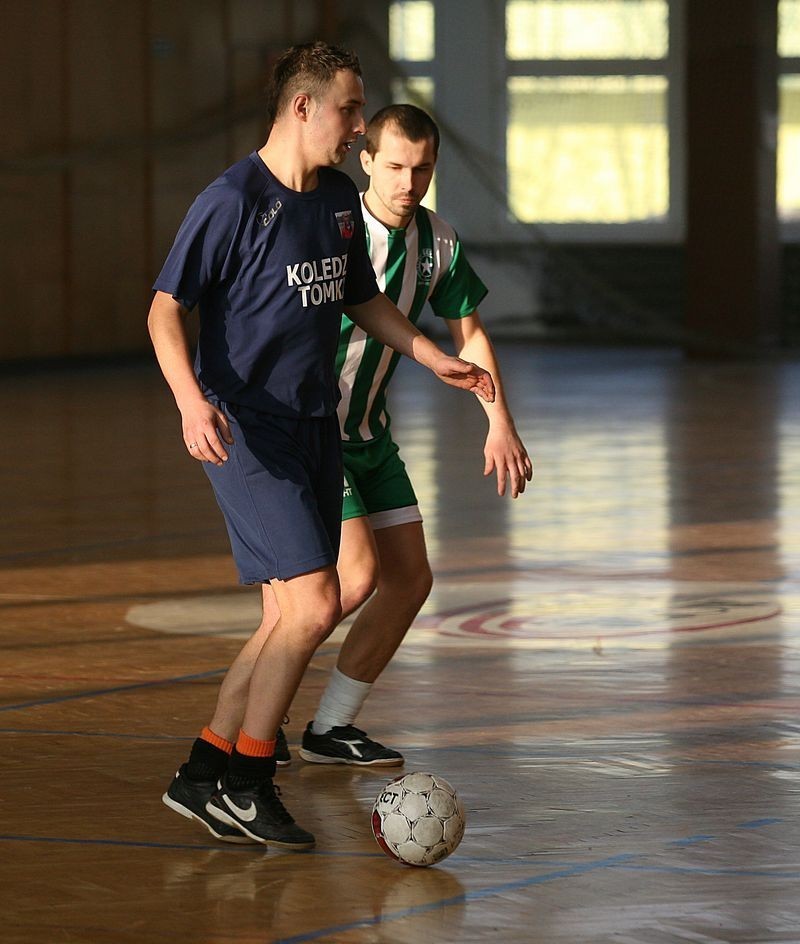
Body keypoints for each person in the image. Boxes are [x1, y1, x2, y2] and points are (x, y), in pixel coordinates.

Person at [149, 43, 494, 850]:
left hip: (316, 429)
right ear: (302, 108)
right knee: (311, 602)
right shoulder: (233, 200)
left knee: (286, 618)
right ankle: (247, 779)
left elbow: (364, 301)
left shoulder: (338, 199)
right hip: (244, 427)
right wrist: (190, 402)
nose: (357, 125)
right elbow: (165, 310)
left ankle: (203, 771)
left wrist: (429, 352)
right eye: (349, 109)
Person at [293, 104, 533, 764]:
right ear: (365, 160)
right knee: (353, 576)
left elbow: (470, 333)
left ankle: (329, 728)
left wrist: (499, 422)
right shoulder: (330, 230)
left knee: (409, 579)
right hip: (314, 433)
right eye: (394, 166)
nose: (408, 181)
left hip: (370, 435)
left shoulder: (439, 242)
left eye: (421, 168)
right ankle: (260, 712)